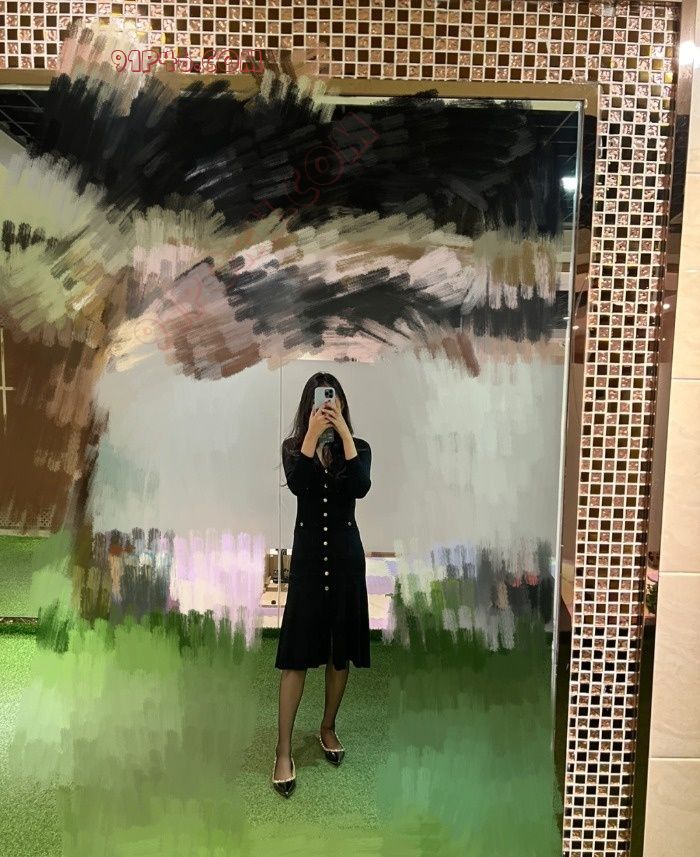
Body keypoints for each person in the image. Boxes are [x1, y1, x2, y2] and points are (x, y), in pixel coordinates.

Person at [272, 372, 372, 798]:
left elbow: (360, 486)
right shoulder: (294, 448)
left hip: (347, 561)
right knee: (295, 657)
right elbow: (300, 484)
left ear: (343, 404)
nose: (328, 407)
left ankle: (327, 727)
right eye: (321, 401)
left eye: (334, 401)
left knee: (339, 652)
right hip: (310, 563)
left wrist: (343, 432)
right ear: (308, 406)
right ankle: (282, 751)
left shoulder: (358, 448)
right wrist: (312, 435)